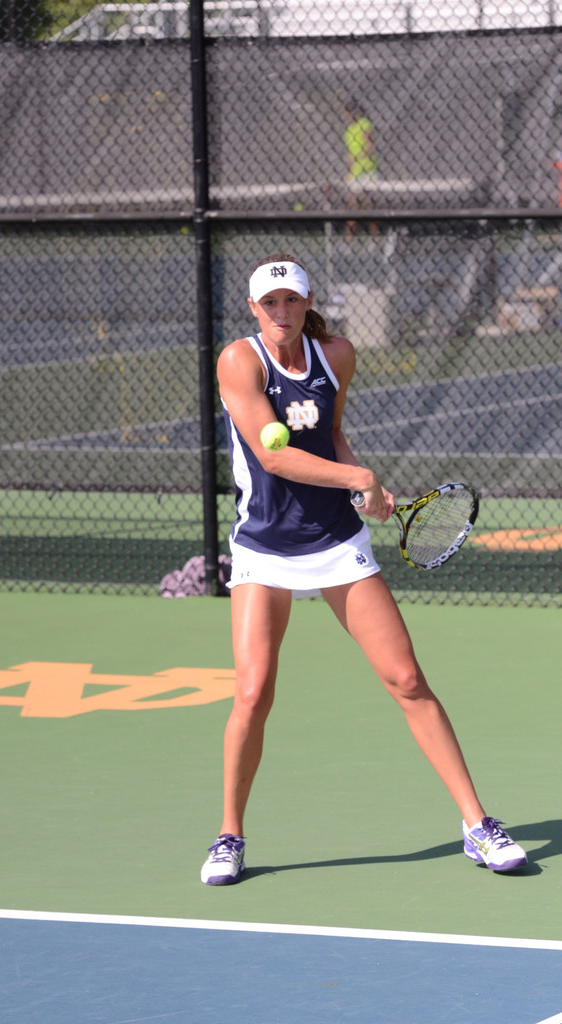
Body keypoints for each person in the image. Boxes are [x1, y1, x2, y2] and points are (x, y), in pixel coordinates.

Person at [200, 252, 527, 885]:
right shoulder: (239, 361)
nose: (281, 312)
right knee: (252, 693)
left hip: (335, 541)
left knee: (407, 679)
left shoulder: (337, 356)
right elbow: (274, 457)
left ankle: (477, 824)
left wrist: (363, 493)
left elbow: (333, 437)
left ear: (307, 301)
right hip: (263, 548)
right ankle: (229, 834)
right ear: (253, 309)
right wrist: (357, 476)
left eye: (291, 300)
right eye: (269, 303)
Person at [343, 102, 379, 242]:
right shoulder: (349, 130)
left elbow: (370, 145)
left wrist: (358, 158)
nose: (346, 116)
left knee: (370, 206)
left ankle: (374, 239)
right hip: (355, 173)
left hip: (368, 171)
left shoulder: (365, 124)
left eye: (347, 112)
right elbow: (351, 155)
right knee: (352, 206)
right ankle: (349, 240)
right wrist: (349, 171)